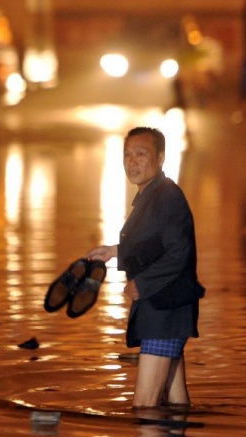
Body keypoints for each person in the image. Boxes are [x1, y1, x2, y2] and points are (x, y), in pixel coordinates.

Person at [87, 126, 203, 409]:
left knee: (145, 408)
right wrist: (114, 252)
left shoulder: (167, 197)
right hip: (165, 310)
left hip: (164, 310)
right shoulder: (152, 197)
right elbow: (153, 244)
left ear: (161, 158)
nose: (132, 161)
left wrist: (143, 283)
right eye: (127, 154)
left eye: (141, 153)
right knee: (175, 405)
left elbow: (180, 251)